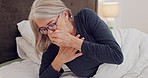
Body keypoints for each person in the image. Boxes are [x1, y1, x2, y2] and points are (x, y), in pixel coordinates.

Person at [29, 0, 123, 78]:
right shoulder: (50, 43)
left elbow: (117, 56)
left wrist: (74, 42)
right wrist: (59, 60)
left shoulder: (85, 17)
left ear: (65, 15)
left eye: (52, 24)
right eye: (44, 29)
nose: (49, 33)